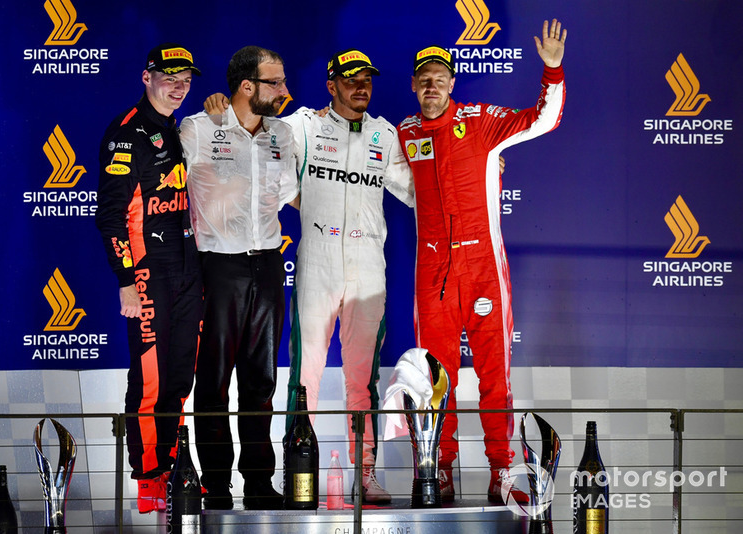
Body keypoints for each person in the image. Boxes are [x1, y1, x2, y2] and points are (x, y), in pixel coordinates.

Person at [205, 48, 415, 504]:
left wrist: (478, 172)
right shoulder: (303, 125)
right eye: (351, 79)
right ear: (331, 84)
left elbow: (419, 192)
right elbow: (265, 169)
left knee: (363, 378)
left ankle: (366, 472)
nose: (361, 87)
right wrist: (221, 112)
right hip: (317, 260)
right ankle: (300, 472)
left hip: (367, 266)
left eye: (368, 80)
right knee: (306, 377)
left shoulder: (385, 133)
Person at [397, 19, 567, 503]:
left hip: (483, 269)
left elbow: (543, 119)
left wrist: (551, 69)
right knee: (433, 381)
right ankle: (438, 469)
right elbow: (382, 175)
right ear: (414, 84)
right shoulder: (403, 133)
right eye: (423, 79)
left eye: (440, 78)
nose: (432, 86)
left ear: (452, 83)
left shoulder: (482, 119)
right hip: (432, 274)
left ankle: (503, 472)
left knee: (495, 378)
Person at [179, 45, 298, 511]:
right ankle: (213, 484)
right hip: (217, 267)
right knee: (212, 383)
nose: (285, 91)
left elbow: (291, 193)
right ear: (247, 86)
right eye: (276, 83)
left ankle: (260, 483)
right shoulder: (199, 128)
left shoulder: (282, 134)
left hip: (268, 265)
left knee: (260, 383)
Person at [96, 43, 203, 514]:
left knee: (181, 377)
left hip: (188, 271)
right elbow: (110, 217)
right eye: (169, 76)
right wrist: (125, 281)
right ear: (146, 77)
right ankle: (147, 478)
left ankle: (174, 464)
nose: (178, 86)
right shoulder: (125, 133)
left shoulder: (184, 131)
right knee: (150, 381)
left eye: (186, 78)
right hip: (146, 274)